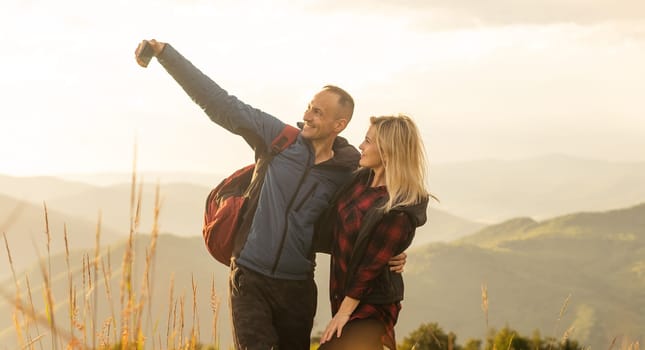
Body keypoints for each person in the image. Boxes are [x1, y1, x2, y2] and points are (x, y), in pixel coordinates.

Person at [134, 39, 407, 350]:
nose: (307, 115)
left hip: (297, 289)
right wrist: (165, 54)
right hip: (250, 278)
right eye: (308, 107)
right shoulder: (278, 139)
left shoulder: (347, 174)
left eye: (318, 112)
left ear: (339, 124)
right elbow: (219, 103)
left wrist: (392, 253)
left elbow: (373, 217)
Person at [316, 115, 432, 350]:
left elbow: (368, 270)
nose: (361, 146)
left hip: (372, 304)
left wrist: (343, 314)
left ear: (388, 151)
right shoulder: (359, 180)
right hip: (345, 296)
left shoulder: (399, 207)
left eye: (368, 141)